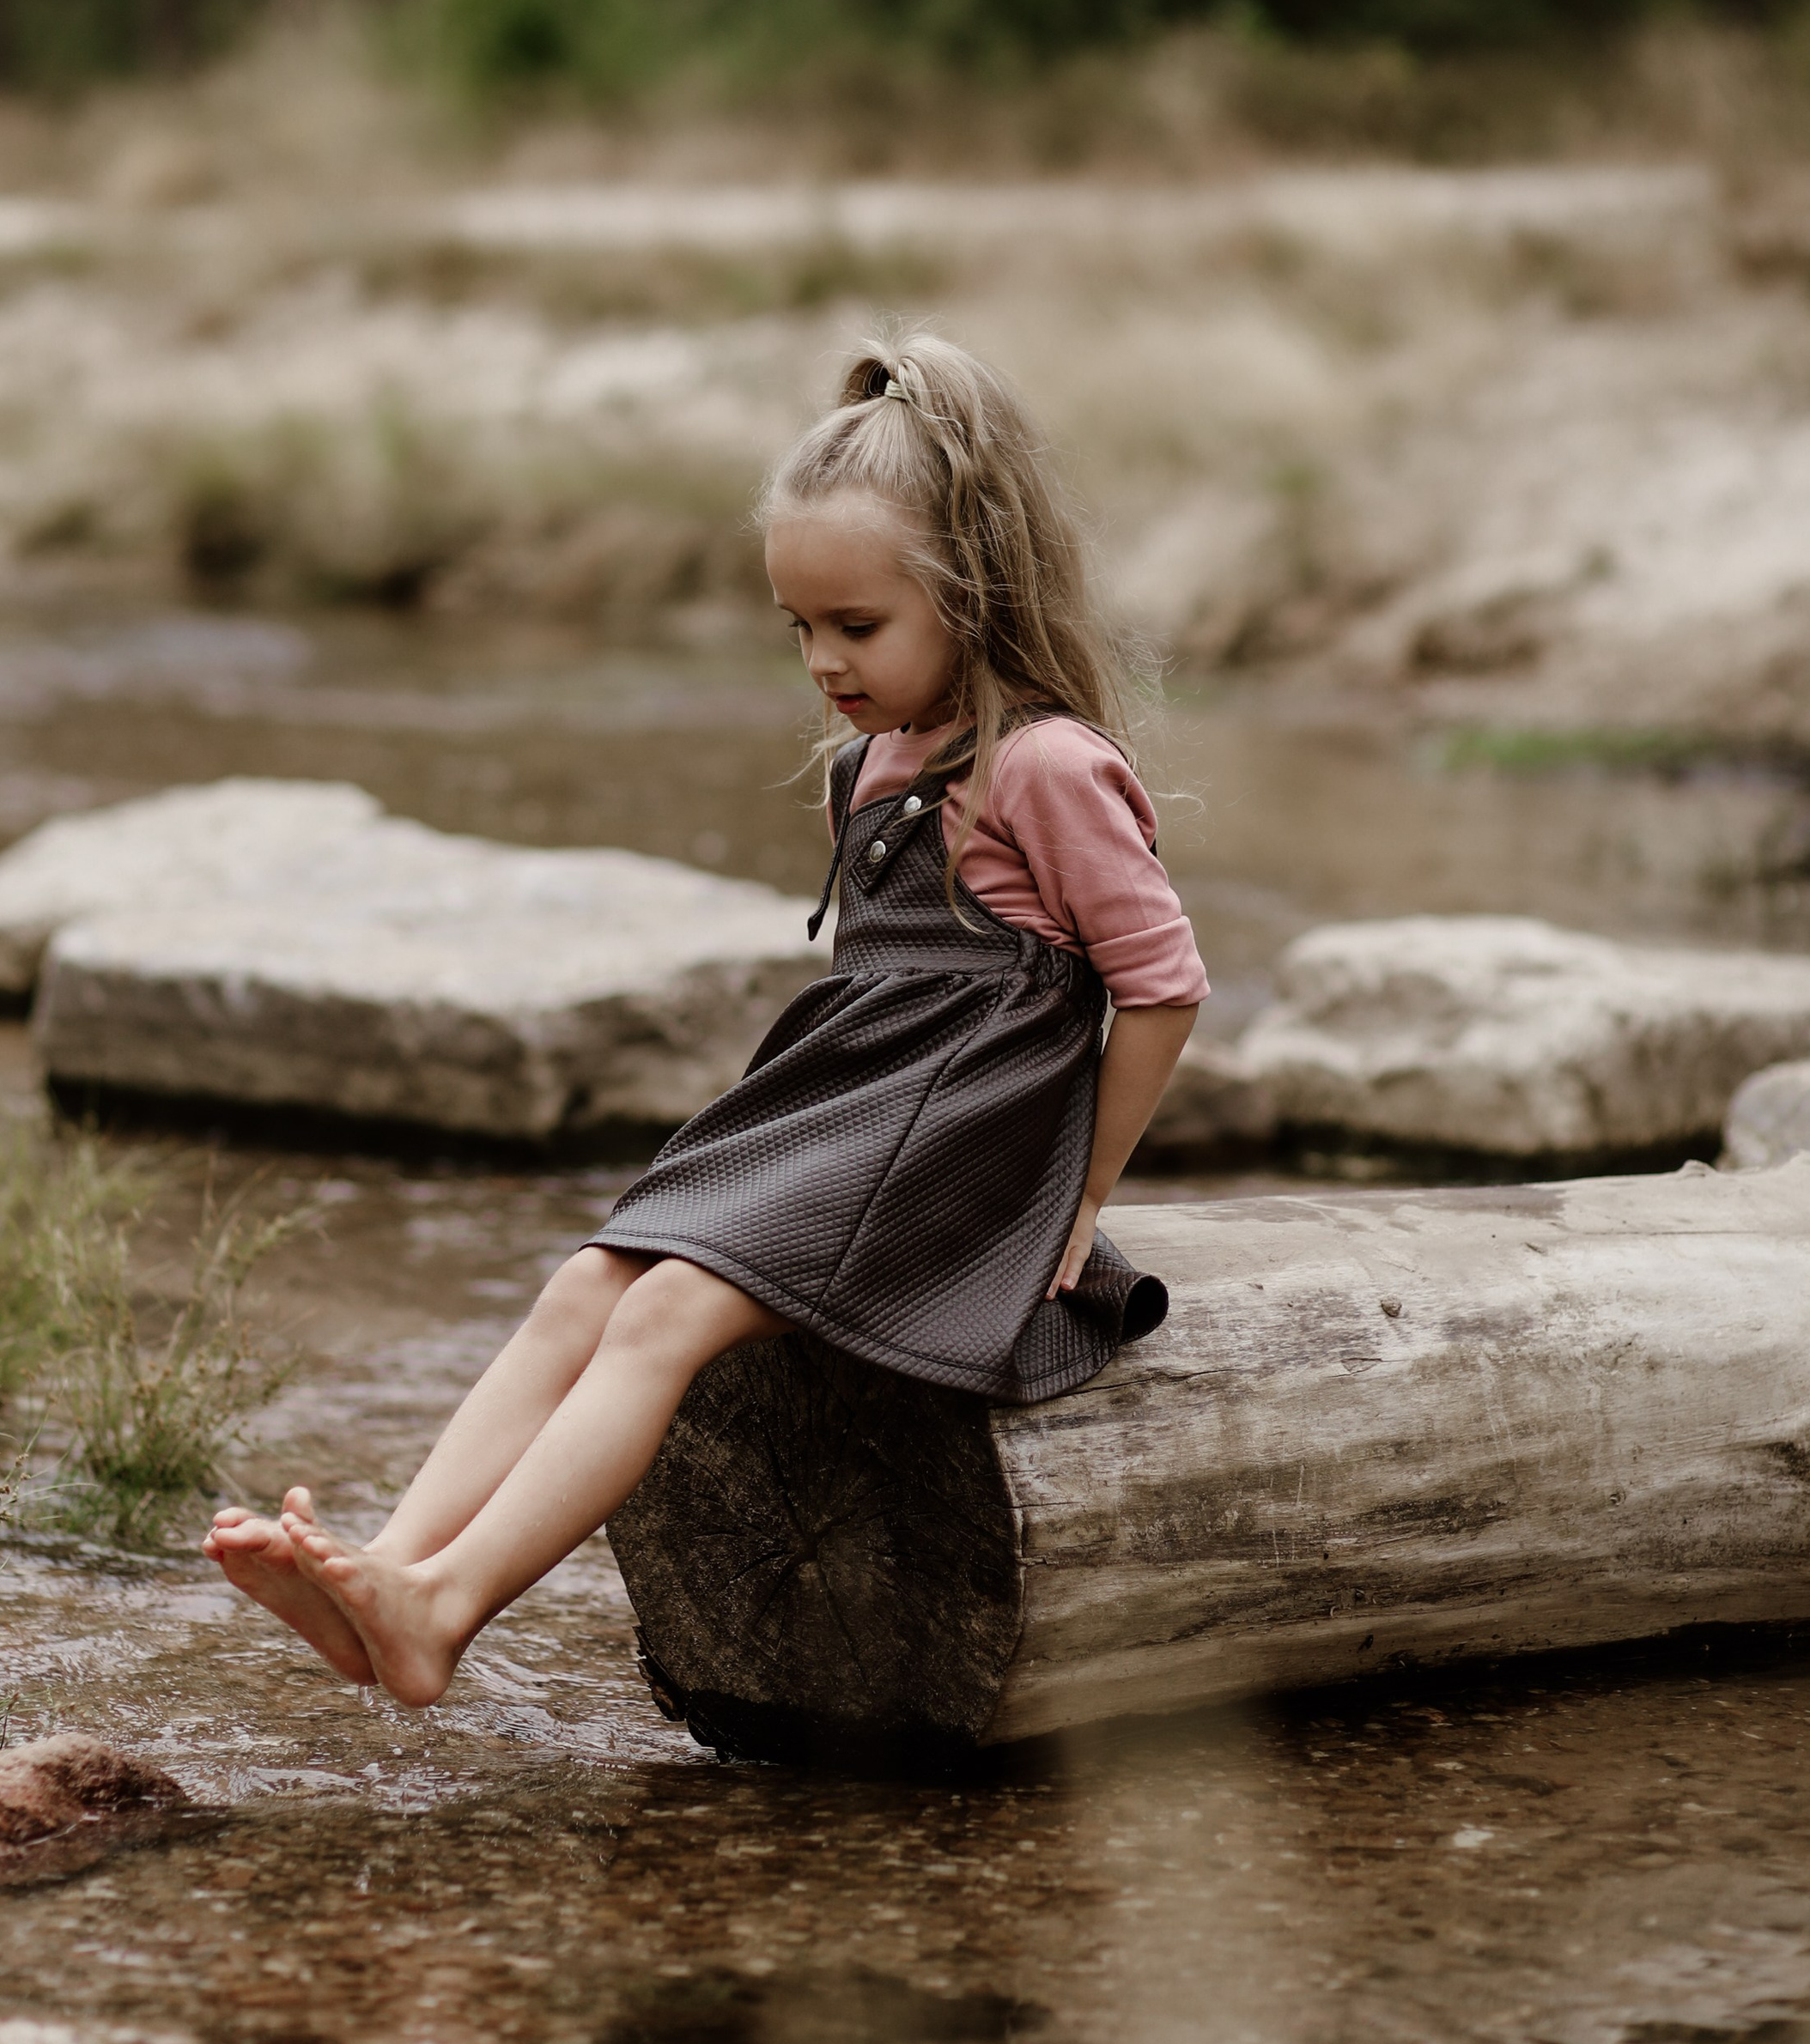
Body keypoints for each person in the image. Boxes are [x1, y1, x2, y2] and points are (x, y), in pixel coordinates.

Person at [205, 334, 1208, 1707]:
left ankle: (440, 1612)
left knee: (669, 1310)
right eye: (799, 628)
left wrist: (1077, 1201)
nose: (823, 663)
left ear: (974, 595)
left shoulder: (1045, 765)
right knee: (587, 1282)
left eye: (858, 628)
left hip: (970, 1143)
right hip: (865, 1107)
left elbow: (1163, 983)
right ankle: (391, 1563)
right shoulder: (878, 761)